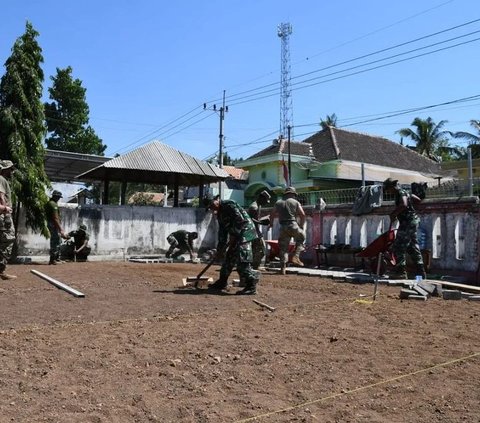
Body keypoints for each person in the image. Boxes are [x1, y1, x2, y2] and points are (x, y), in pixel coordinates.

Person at [205, 195, 259, 295]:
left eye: (212, 204)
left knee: (243, 261)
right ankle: (222, 282)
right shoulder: (220, 215)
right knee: (229, 259)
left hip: (245, 234)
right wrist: (220, 250)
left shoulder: (229, 204)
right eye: (210, 207)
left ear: (216, 200)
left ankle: (251, 286)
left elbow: (240, 221)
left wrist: (235, 233)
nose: (212, 208)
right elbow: (222, 233)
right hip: (236, 236)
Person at [383, 178, 426, 279]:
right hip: (412, 222)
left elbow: (404, 204)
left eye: (388, 189)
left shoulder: (400, 193)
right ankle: (421, 273)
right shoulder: (406, 192)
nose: (388, 192)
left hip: (407, 223)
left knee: (398, 246)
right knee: (412, 247)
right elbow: (418, 200)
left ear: (392, 187)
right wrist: (412, 211)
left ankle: (400, 272)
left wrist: (394, 213)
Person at [269, 186, 306, 275]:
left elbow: (272, 214)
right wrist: (301, 226)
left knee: (283, 248)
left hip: (282, 227)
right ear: (293, 194)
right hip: (293, 225)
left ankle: (283, 269)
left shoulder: (278, 202)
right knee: (301, 237)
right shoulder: (295, 202)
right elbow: (303, 215)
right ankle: (296, 256)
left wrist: (271, 224)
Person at [0, 160, 17, 280]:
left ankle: (1, 270)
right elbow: (1, 196)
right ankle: (1, 270)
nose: (12, 171)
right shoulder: (1, 179)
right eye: (10, 169)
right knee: (8, 240)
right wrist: (6, 215)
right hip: (3, 214)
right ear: (5, 169)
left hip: (3, 213)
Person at [247, 190, 271, 269]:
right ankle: (254, 267)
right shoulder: (254, 207)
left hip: (255, 231)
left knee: (256, 250)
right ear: (261, 198)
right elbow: (250, 220)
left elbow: (255, 219)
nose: (266, 203)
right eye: (265, 200)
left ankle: (252, 267)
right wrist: (262, 222)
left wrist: (262, 220)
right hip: (253, 231)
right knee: (261, 250)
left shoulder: (258, 205)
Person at [45, 190, 68, 265]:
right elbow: (55, 218)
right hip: (54, 224)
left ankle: (57, 259)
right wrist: (60, 229)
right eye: (58, 197)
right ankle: (53, 260)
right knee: (55, 241)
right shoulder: (53, 204)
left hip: (52, 224)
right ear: (56, 196)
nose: (59, 199)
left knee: (57, 240)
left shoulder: (50, 203)